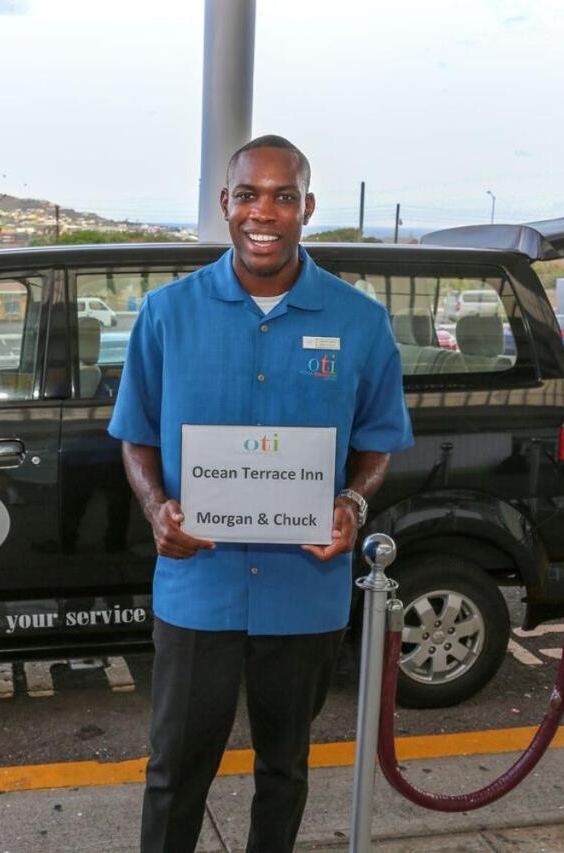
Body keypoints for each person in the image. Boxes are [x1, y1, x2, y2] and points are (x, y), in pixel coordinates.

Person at [108, 135, 413, 853]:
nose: (263, 212)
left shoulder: (359, 322)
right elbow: (135, 434)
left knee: (285, 770)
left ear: (307, 207)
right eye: (248, 195)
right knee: (175, 771)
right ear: (226, 205)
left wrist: (354, 504)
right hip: (197, 585)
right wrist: (157, 506)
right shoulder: (166, 313)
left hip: (303, 590)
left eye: (283, 195)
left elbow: (378, 439)